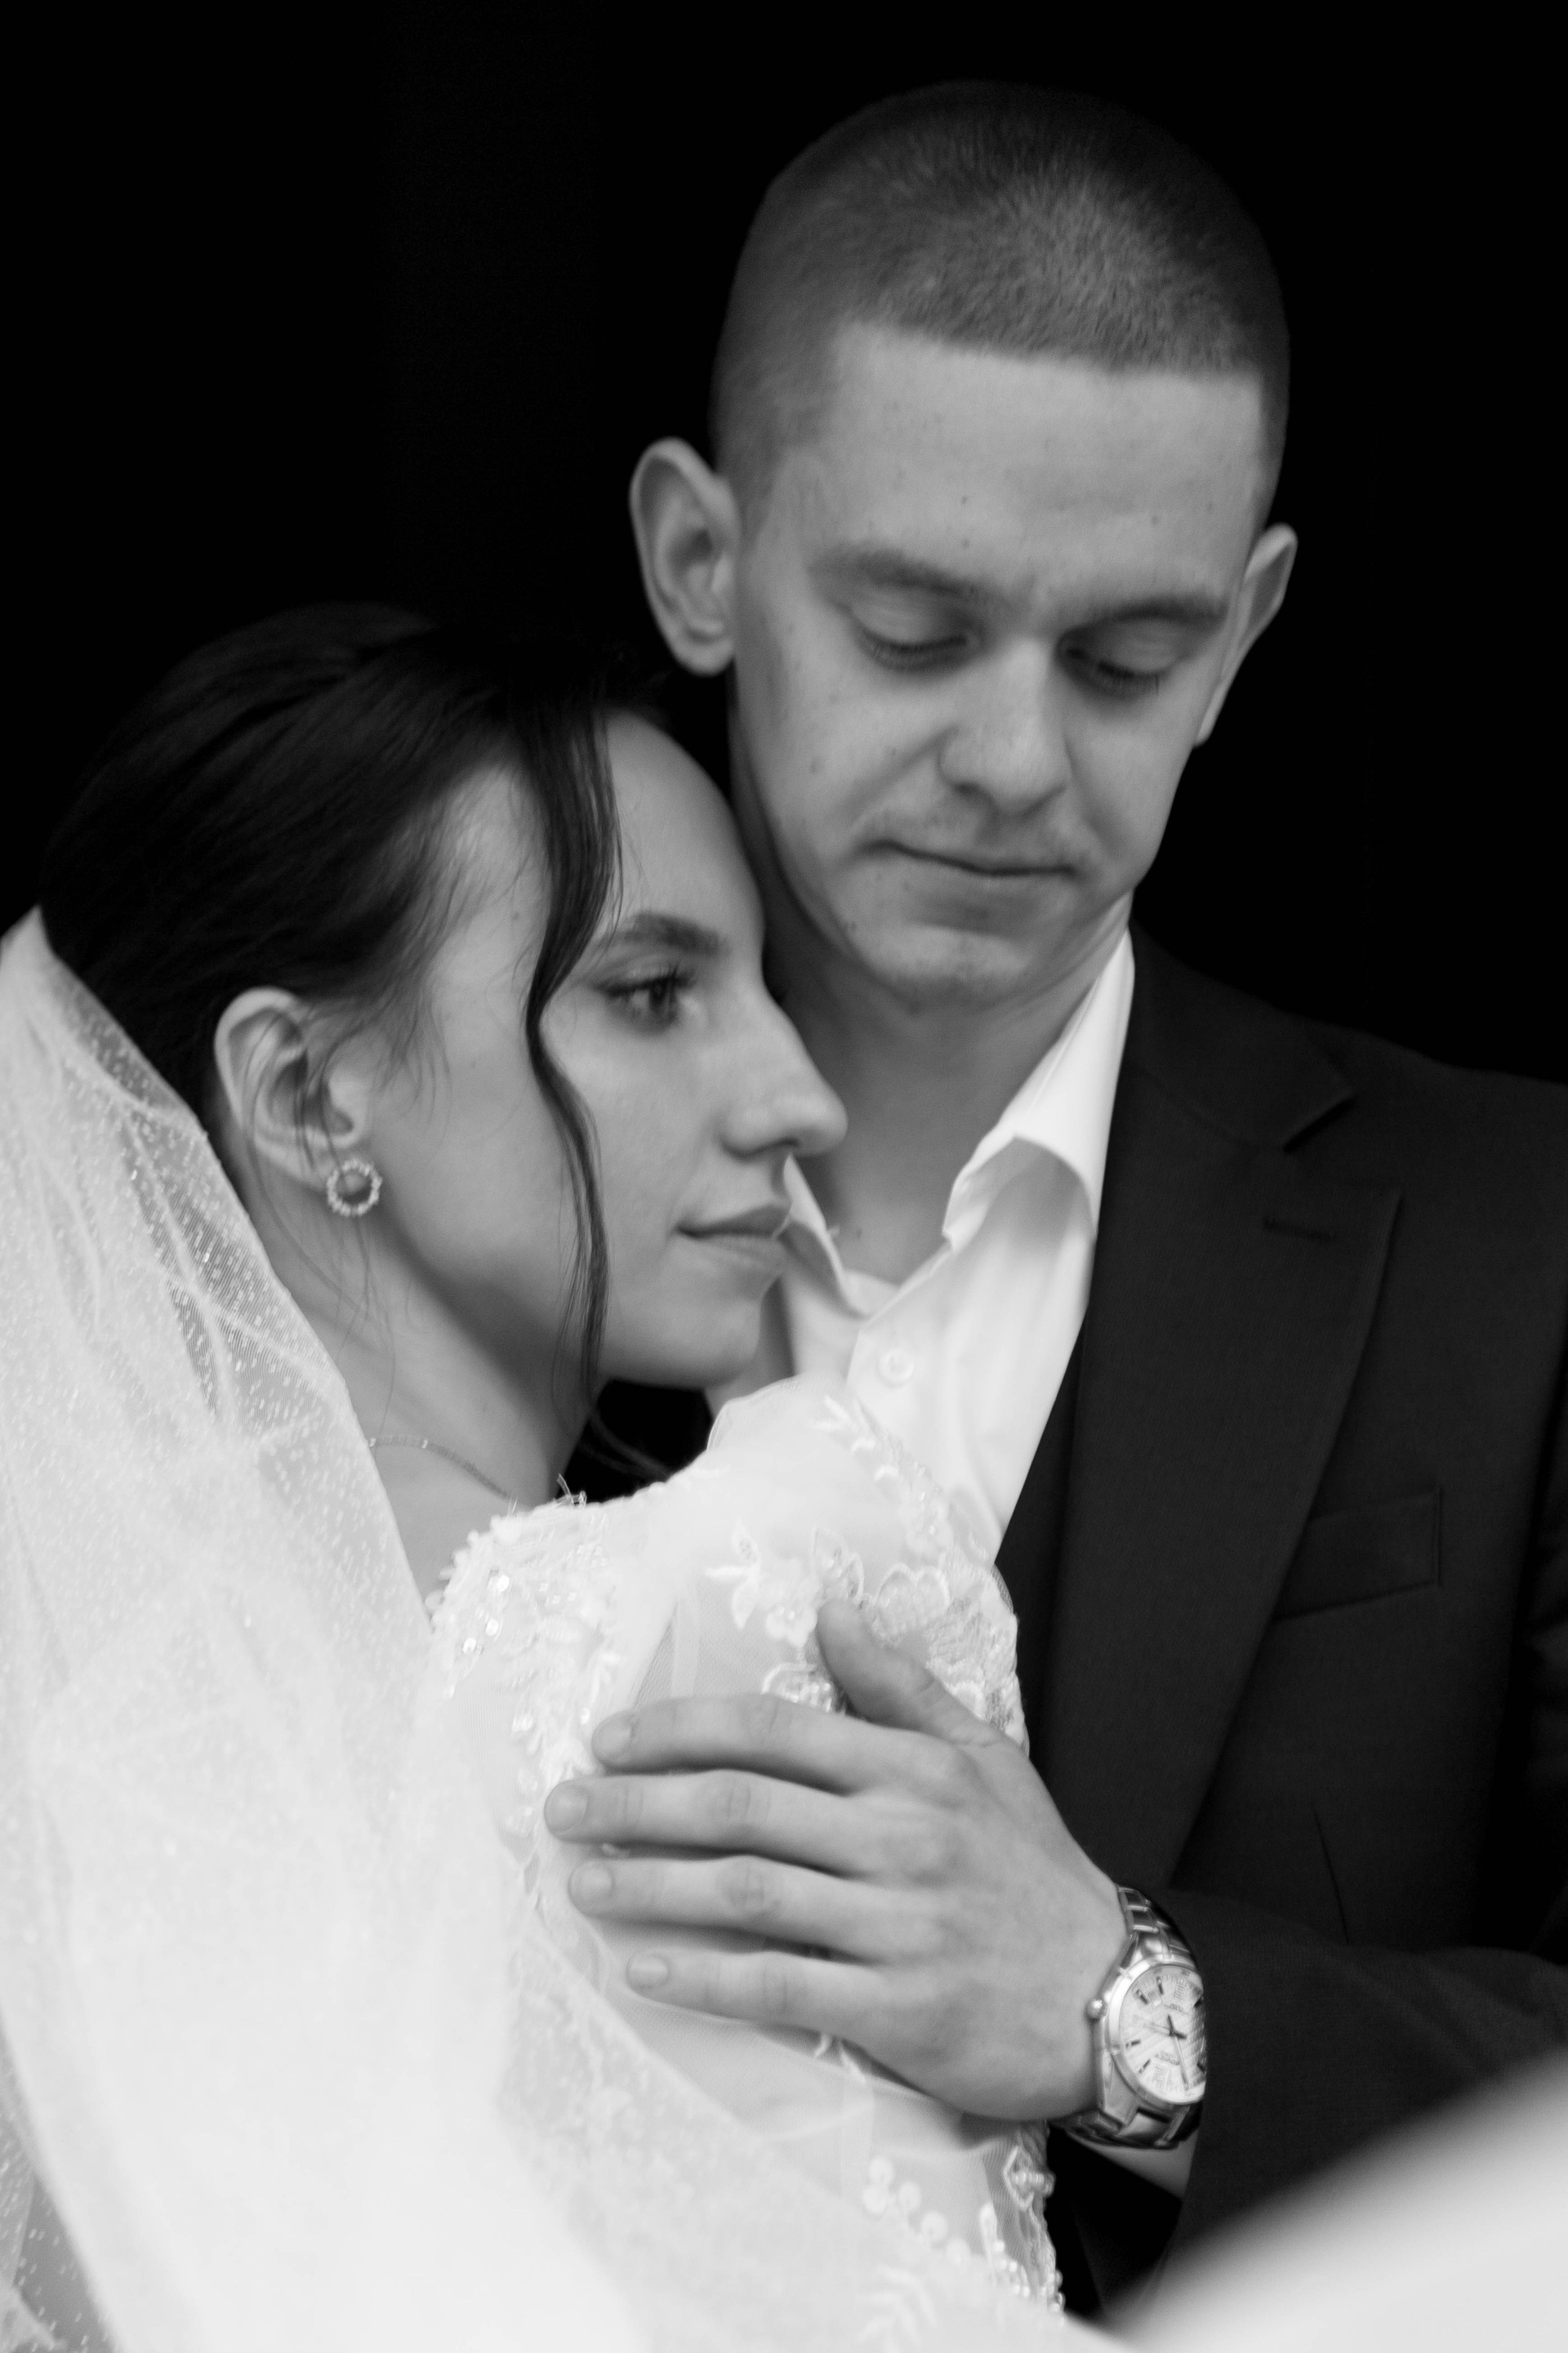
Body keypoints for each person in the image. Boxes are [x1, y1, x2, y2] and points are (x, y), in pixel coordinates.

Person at [540, 82, 1568, 2315]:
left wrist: (1129, 2004)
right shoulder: (434, 1173)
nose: (1017, 760)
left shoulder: (1527, 1241)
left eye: (1124, 660)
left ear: (1249, 628)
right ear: (699, 561)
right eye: (914, 631)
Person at [0, 604, 1078, 2347]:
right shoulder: (690, 1614)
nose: (798, 1098)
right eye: (651, 995)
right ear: (309, 1094)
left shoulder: (98, 1732)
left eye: (763, 989)